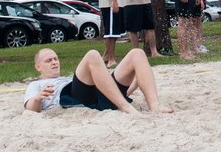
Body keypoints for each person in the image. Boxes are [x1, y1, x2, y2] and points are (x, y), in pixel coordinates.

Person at [24, 48, 172, 114]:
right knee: (92, 55)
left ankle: (155, 106)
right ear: (38, 66)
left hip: (99, 95)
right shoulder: (36, 84)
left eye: (55, 59)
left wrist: (136, 79)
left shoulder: (67, 78)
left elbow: (108, 89)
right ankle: (126, 107)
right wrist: (37, 98)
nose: (54, 62)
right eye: (49, 60)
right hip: (73, 96)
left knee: (137, 53)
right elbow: (31, 109)